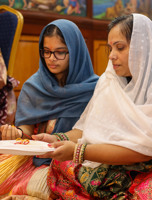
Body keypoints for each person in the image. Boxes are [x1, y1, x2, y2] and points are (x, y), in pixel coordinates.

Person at [31, 13, 152, 199]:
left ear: (142, 48)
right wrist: (56, 138)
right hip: (121, 159)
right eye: (110, 48)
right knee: (60, 165)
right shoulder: (111, 81)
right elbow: (90, 128)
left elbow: (144, 151)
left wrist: (77, 151)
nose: (111, 56)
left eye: (120, 48)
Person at [0, 19, 98, 198]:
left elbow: (93, 134)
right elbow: (27, 132)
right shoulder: (34, 86)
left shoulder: (96, 89)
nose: (52, 58)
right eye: (46, 52)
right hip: (37, 160)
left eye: (60, 52)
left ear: (75, 52)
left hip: (78, 159)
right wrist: (17, 134)